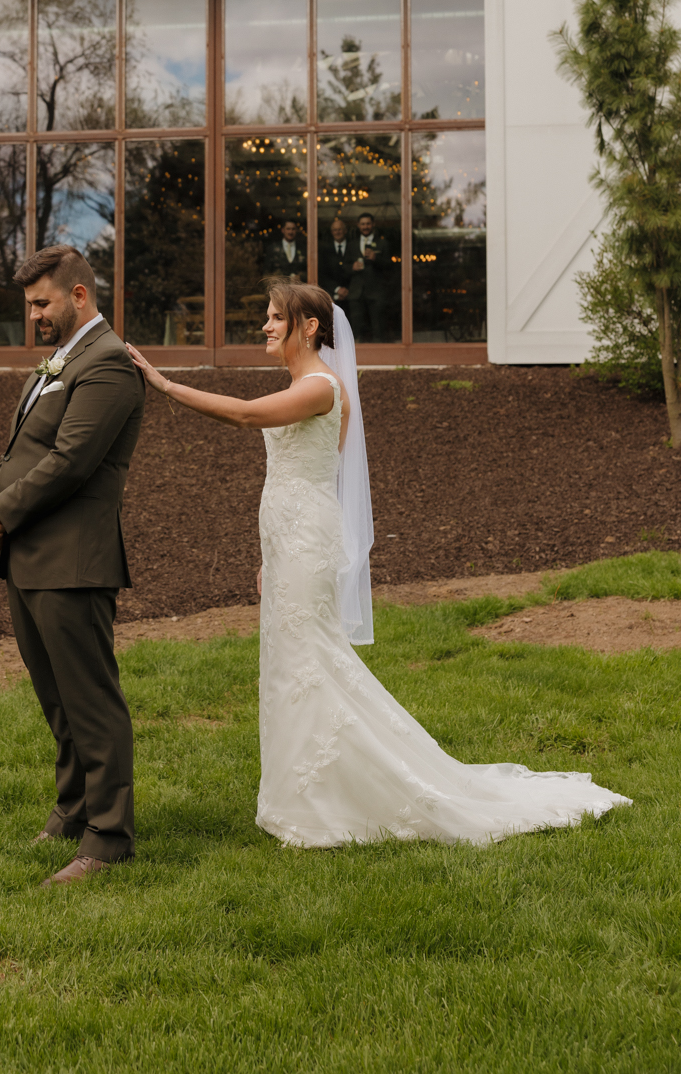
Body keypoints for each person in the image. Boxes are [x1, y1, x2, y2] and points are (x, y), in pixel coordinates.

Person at [127, 284, 630, 848]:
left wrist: (164, 384)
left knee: (311, 663)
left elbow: (245, 417)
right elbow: (300, 474)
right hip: (291, 540)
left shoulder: (320, 387)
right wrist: (270, 553)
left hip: (305, 540)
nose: (265, 328)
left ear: (310, 327)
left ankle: (342, 795)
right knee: (292, 664)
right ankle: (302, 794)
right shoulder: (306, 386)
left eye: (274, 318)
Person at [0, 245, 145, 886]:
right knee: (57, 700)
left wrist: (5, 513)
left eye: (41, 303)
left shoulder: (108, 366)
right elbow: (22, 447)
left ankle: (109, 836)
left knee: (91, 702)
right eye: (29, 304)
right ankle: (74, 808)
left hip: (74, 561)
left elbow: (70, 462)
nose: (34, 315)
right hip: (29, 558)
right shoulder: (59, 363)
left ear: (78, 295)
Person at [347, 213, 391, 342]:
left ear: (373, 224)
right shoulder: (352, 245)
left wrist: (376, 259)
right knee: (356, 332)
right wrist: (352, 267)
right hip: (356, 293)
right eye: (363, 224)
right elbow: (344, 267)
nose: (365, 226)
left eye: (368, 224)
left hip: (376, 293)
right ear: (358, 225)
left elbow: (390, 267)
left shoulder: (383, 243)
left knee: (378, 331)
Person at [319, 216, 352, 305]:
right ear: (331, 232)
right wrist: (337, 289)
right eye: (335, 230)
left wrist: (347, 290)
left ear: (345, 231)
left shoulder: (353, 247)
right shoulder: (325, 250)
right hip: (331, 296)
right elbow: (322, 273)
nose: (337, 232)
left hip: (352, 296)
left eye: (340, 229)